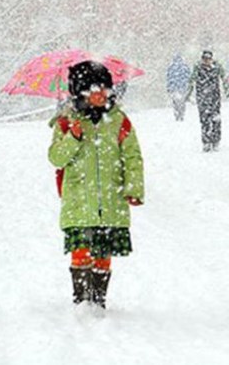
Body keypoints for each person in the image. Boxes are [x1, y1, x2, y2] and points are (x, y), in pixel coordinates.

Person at [48, 60, 144, 311]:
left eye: (105, 89)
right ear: (80, 92)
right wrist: (73, 137)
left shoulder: (119, 121)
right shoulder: (66, 123)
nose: (101, 94)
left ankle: (98, 300)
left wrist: (133, 188)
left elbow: (132, 156)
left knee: (103, 251)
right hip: (79, 201)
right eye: (94, 89)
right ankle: (81, 300)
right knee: (81, 249)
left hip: (111, 200)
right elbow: (56, 158)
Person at [186, 50, 229, 152]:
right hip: (202, 97)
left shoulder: (217, 67)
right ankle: (206, 142)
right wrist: (188, 94)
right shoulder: (197, 67)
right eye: (204, 59)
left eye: (208, 59)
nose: (206, 61)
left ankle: (215, 141)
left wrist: (226, 89)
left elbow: (224, 78)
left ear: (211, 59)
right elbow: (191, 81)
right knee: (204, 120)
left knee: (216, 119)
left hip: (215, 97)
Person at [166, 54, 190, 121]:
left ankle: (177, 113)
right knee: (182, 102)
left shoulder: (171, 67)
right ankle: (181, 113)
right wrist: (187, 86)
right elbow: (188, 77)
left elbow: (169, 78)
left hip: (174, 88)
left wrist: (169, 87)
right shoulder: (185, 67)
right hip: (182, 88)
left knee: (175, 102)